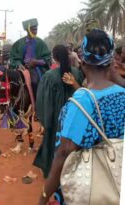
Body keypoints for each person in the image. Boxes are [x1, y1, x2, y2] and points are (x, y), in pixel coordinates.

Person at [39, 29, 125, 205]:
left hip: (89, 189)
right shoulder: (122, 94)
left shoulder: (82, 101)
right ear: (110, 62)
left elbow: (63, 153)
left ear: (83, 61)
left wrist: (43, 196)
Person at [33, 45, 84, 178]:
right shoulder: (76, 73)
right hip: (74, 116)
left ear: (54, 58)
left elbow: (43, 101)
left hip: (55, 118)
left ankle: (52, 172)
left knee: (53, 144)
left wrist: (45, 121)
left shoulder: (49, 76)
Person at [10, 18, 51, 100]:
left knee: (35, 82)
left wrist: (36, 62)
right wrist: (19, 64)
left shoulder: (41, 43)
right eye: (33, 29)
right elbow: (14, 57)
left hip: (37, 68)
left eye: (36, 29)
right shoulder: (18, 44)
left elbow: (47, 58)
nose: (35, 31)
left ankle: (37, 104)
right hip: (22, 67)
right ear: (27, 30)